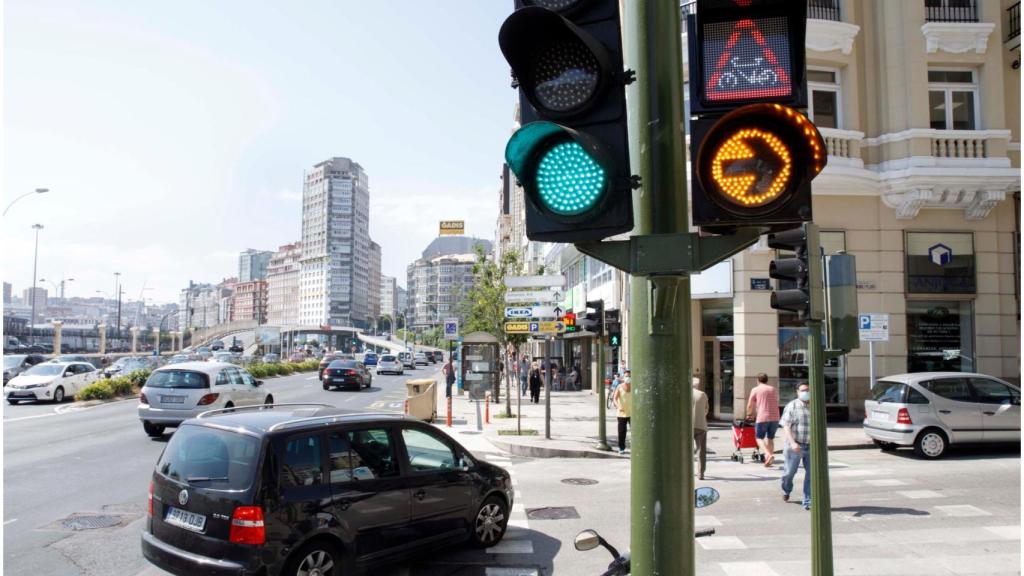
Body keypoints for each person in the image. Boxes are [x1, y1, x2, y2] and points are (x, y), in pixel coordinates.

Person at [780, 382, 812, 510]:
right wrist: (792, 443)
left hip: (811, 446)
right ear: (797, 391)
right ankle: (786, 490)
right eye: (803, 390)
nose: (806, 392)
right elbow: (786, 426)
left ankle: (808, 501)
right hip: (795, 446)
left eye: (808, 390)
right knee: (789, 473)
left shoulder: (815, 405)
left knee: (811, 475)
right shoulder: (792, 406)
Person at [746, 373, 781, 467]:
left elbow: (750, 404)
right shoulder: (773, 389)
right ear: (767, 380)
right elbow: (777, 400)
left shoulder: (755, 389)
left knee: (759, 437)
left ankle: (768, 454)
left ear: (757, 380)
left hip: (763, 417)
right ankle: (769, 458)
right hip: (775, 417)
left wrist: (749, 414)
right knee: (770, 438)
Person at [692, 377, 709, 480]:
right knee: (701, 450)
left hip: (687, 426)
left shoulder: (684, 394)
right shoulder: (702, 394)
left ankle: (687, 471)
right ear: (697, 385)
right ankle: (700, 473)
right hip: (701, 425)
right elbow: (706, 410)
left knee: (686, 450)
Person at [612, 376, 632, 454]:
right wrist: (618, 406)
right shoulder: (619, 387)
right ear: (623, 378)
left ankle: (634, 447)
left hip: (632, 413)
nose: (628, 378)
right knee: (622, 432)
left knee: (635, 431)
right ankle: (621, 448)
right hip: (621, 413)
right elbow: (614, 398)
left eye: (629, 376)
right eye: (626, 376)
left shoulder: (634, 386)